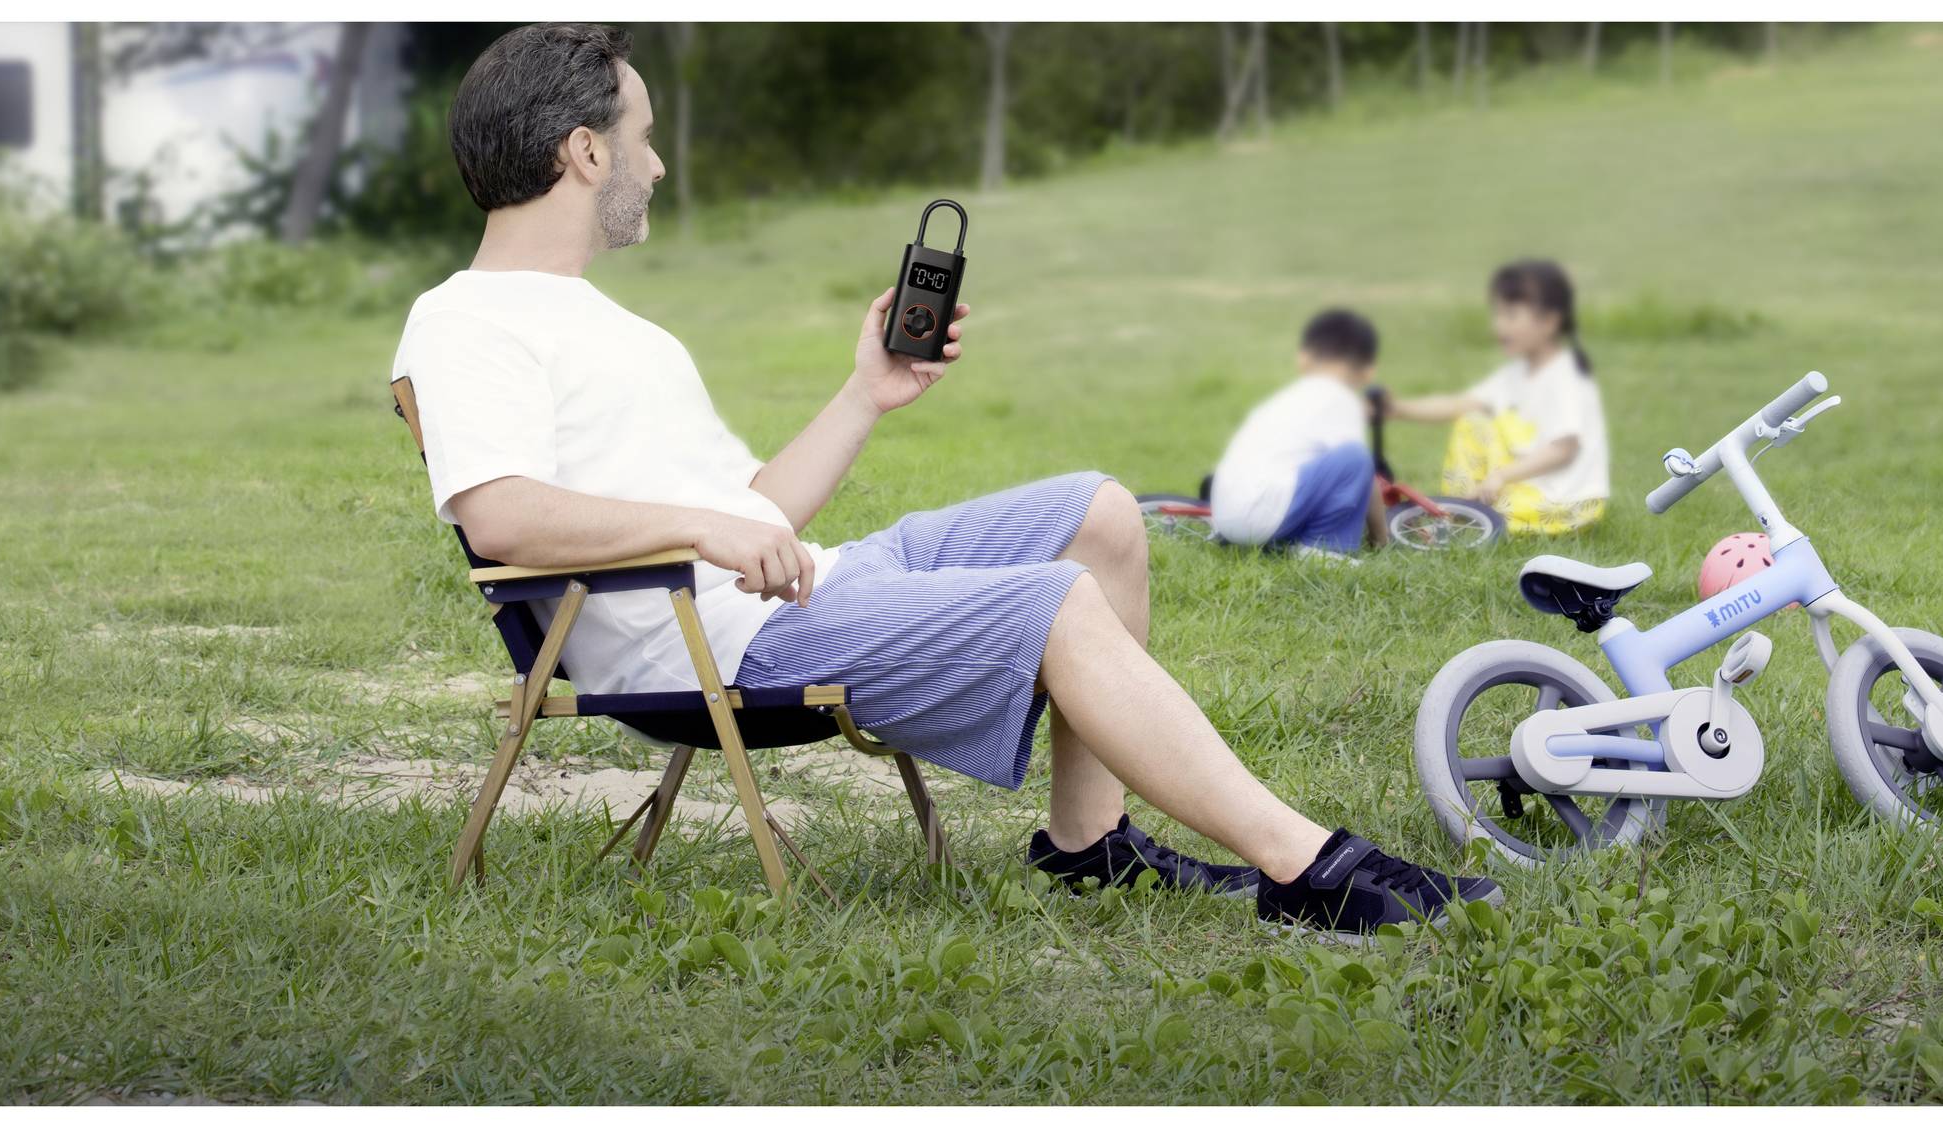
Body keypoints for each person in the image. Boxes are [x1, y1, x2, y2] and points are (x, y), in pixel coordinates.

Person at [387, 24, 1494, 938]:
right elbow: (499, 513)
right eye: (643, 138)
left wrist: (866, 391)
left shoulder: (609, 323)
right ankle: (1315, 871)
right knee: (1055, 599)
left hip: (792, 588)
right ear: (584, 152)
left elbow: (755, 512)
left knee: (1097, 516)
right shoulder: (464, 319)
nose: (657, 165)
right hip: (711, 643)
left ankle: (1087, 849)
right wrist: (702, 530)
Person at [1383, 259, 1612, 536]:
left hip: (1565, 502)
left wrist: (1502, 475)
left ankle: (1466, 517)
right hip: (1530, 484)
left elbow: (1564, 449)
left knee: (1491, 516)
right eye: (1498, 314)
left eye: (1511, 316)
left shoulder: (1565, 376)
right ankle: (1465, 509)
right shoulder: (1515, 374)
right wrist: (1398, 408)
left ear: (1549, 322)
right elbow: (1459, 404)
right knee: (1473, 421)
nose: (1499, 325)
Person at [1203, 309, 1391, 557]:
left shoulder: (1284, 400)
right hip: (1261, 515)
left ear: (1303, 359)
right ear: (1368, 372)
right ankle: (1326, 550)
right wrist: (1381, 540)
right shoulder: (1341, 399)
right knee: (1356, 459)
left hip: (1226, 517)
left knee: (1304, 470)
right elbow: (1366, 478)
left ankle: (1281, 543)